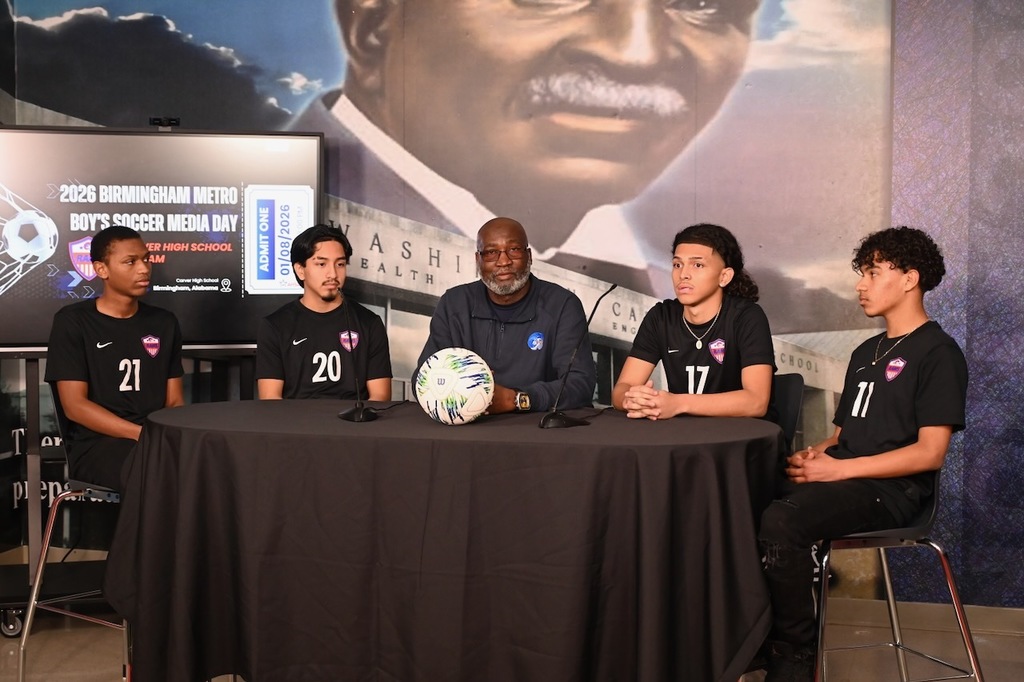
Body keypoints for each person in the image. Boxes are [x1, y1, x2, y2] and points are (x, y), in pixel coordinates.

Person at [291, 0, 760, 292]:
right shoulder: (269, 228)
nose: (638, 53)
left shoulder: (668, 298)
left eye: (705, 4)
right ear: (373, 26)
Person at [757, 226, 968, 681]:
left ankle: (793, 654)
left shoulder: (939, 353)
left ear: (910, 278)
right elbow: (841, 437)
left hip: (893, 491)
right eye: (862, 273)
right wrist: (813, 457)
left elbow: (930, 454)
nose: (860, 284)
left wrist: (839, 471)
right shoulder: (865, 351)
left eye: (873, 273)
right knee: (739, 495)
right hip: (848, 477)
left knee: (782, 520)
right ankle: (750, 639)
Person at [45, 225, 184, 491]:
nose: (143, 268)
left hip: (154, 438)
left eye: (146, 259)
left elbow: (175, 400)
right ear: (101, 270)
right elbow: (75, 405)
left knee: (205, 467)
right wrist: (140, 434)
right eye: (130, 262)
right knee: (151, 473)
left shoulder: (164, 322)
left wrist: (164, 436)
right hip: (97, 445)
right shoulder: (73, 321)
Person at [414, 217, 596, 414]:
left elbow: (580, 384)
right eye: (491, 252)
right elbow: (423, 378)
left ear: (529, 256)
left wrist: (516, 399)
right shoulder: (454, 303)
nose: (504, 261)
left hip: (539, 429)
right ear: (478, 260)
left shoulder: (562, 305)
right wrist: (465, 392)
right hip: (467, 427)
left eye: (514, 250)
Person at [612, 223, 775, 419]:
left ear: (724, 276)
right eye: (677, 264)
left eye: (697, 265)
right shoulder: (661, 316)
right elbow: (622, 388)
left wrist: (678, 403)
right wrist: (633, 400)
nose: (683, 274)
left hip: (737, 439)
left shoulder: (747, 316)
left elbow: (756, 402)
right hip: (683, 436)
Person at [256, 224, 392, 400]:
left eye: (340, 264)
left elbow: (380, 398)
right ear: (300, 270)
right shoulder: (274, 326)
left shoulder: (369, 323)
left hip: (354, 426)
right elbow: (270, 401)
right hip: (294, 426)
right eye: (321, 264)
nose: (333, 274)